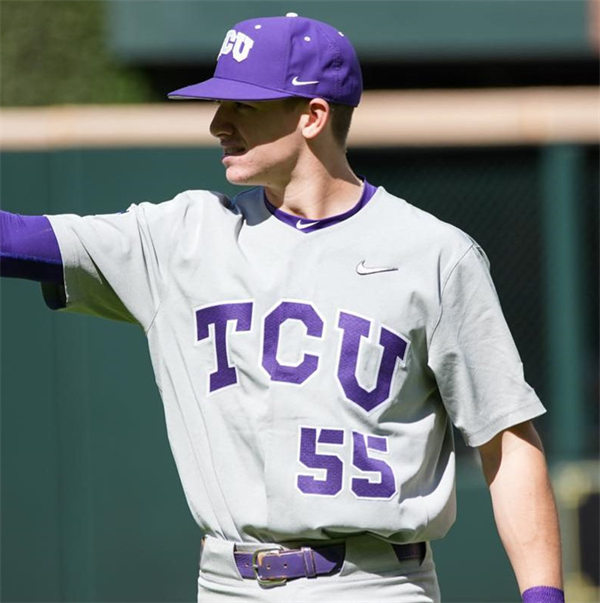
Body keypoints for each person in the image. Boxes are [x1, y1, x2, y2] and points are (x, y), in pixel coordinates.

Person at [0, 13, 564, 603]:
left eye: (243, 105)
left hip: (378, 584)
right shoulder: (181, 237)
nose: (219, 123)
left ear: (313, 115)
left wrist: (543, 596)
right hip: (227, 584)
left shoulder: (435, 255)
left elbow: (506, 440)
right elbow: (16, 241)